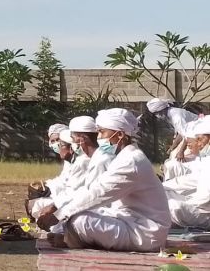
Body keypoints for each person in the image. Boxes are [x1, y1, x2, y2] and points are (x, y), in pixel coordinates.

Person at [37, 108, 171, 252]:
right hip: (129, 219)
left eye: (102, 132)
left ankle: (70, 239)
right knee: (76, 215)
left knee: (80, 220)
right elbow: (94, 189)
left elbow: (98, 193)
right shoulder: (125, 157)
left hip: (145, 232)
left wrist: (58, 214)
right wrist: (56, 207)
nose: (98, 137)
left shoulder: (132, 161)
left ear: (119, 135)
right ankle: (72, 237)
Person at [29, 128, 89, 220]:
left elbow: (73, 192)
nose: (58, 146)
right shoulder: (72, 161)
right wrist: (45, 186)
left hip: (82, 206)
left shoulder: (82, 163)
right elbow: (63, 181)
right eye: (53, 141)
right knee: (37, 204)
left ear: (72, 148)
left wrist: (53, 202)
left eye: (60, 144)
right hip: (67, 200)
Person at [164, 117, 210, 228]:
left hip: (205, 213)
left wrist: (187, 204)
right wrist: (161, 187)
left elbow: (204, 200)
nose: (198, 144)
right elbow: (191, 179)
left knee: (171, 206)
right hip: (198, 205)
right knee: (164, 195)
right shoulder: (207, 159)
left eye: (200, 139)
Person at [147, 98, 198, 180]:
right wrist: (172, 147)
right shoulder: (172, 114)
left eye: (156, 114)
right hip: (191, 136)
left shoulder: (177, 117)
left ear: (161, 111)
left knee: (181, 158)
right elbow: (181, 133)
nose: (156, 116)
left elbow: (186, 134)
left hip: (198, 137)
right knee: (173, 155)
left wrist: (181, 151)